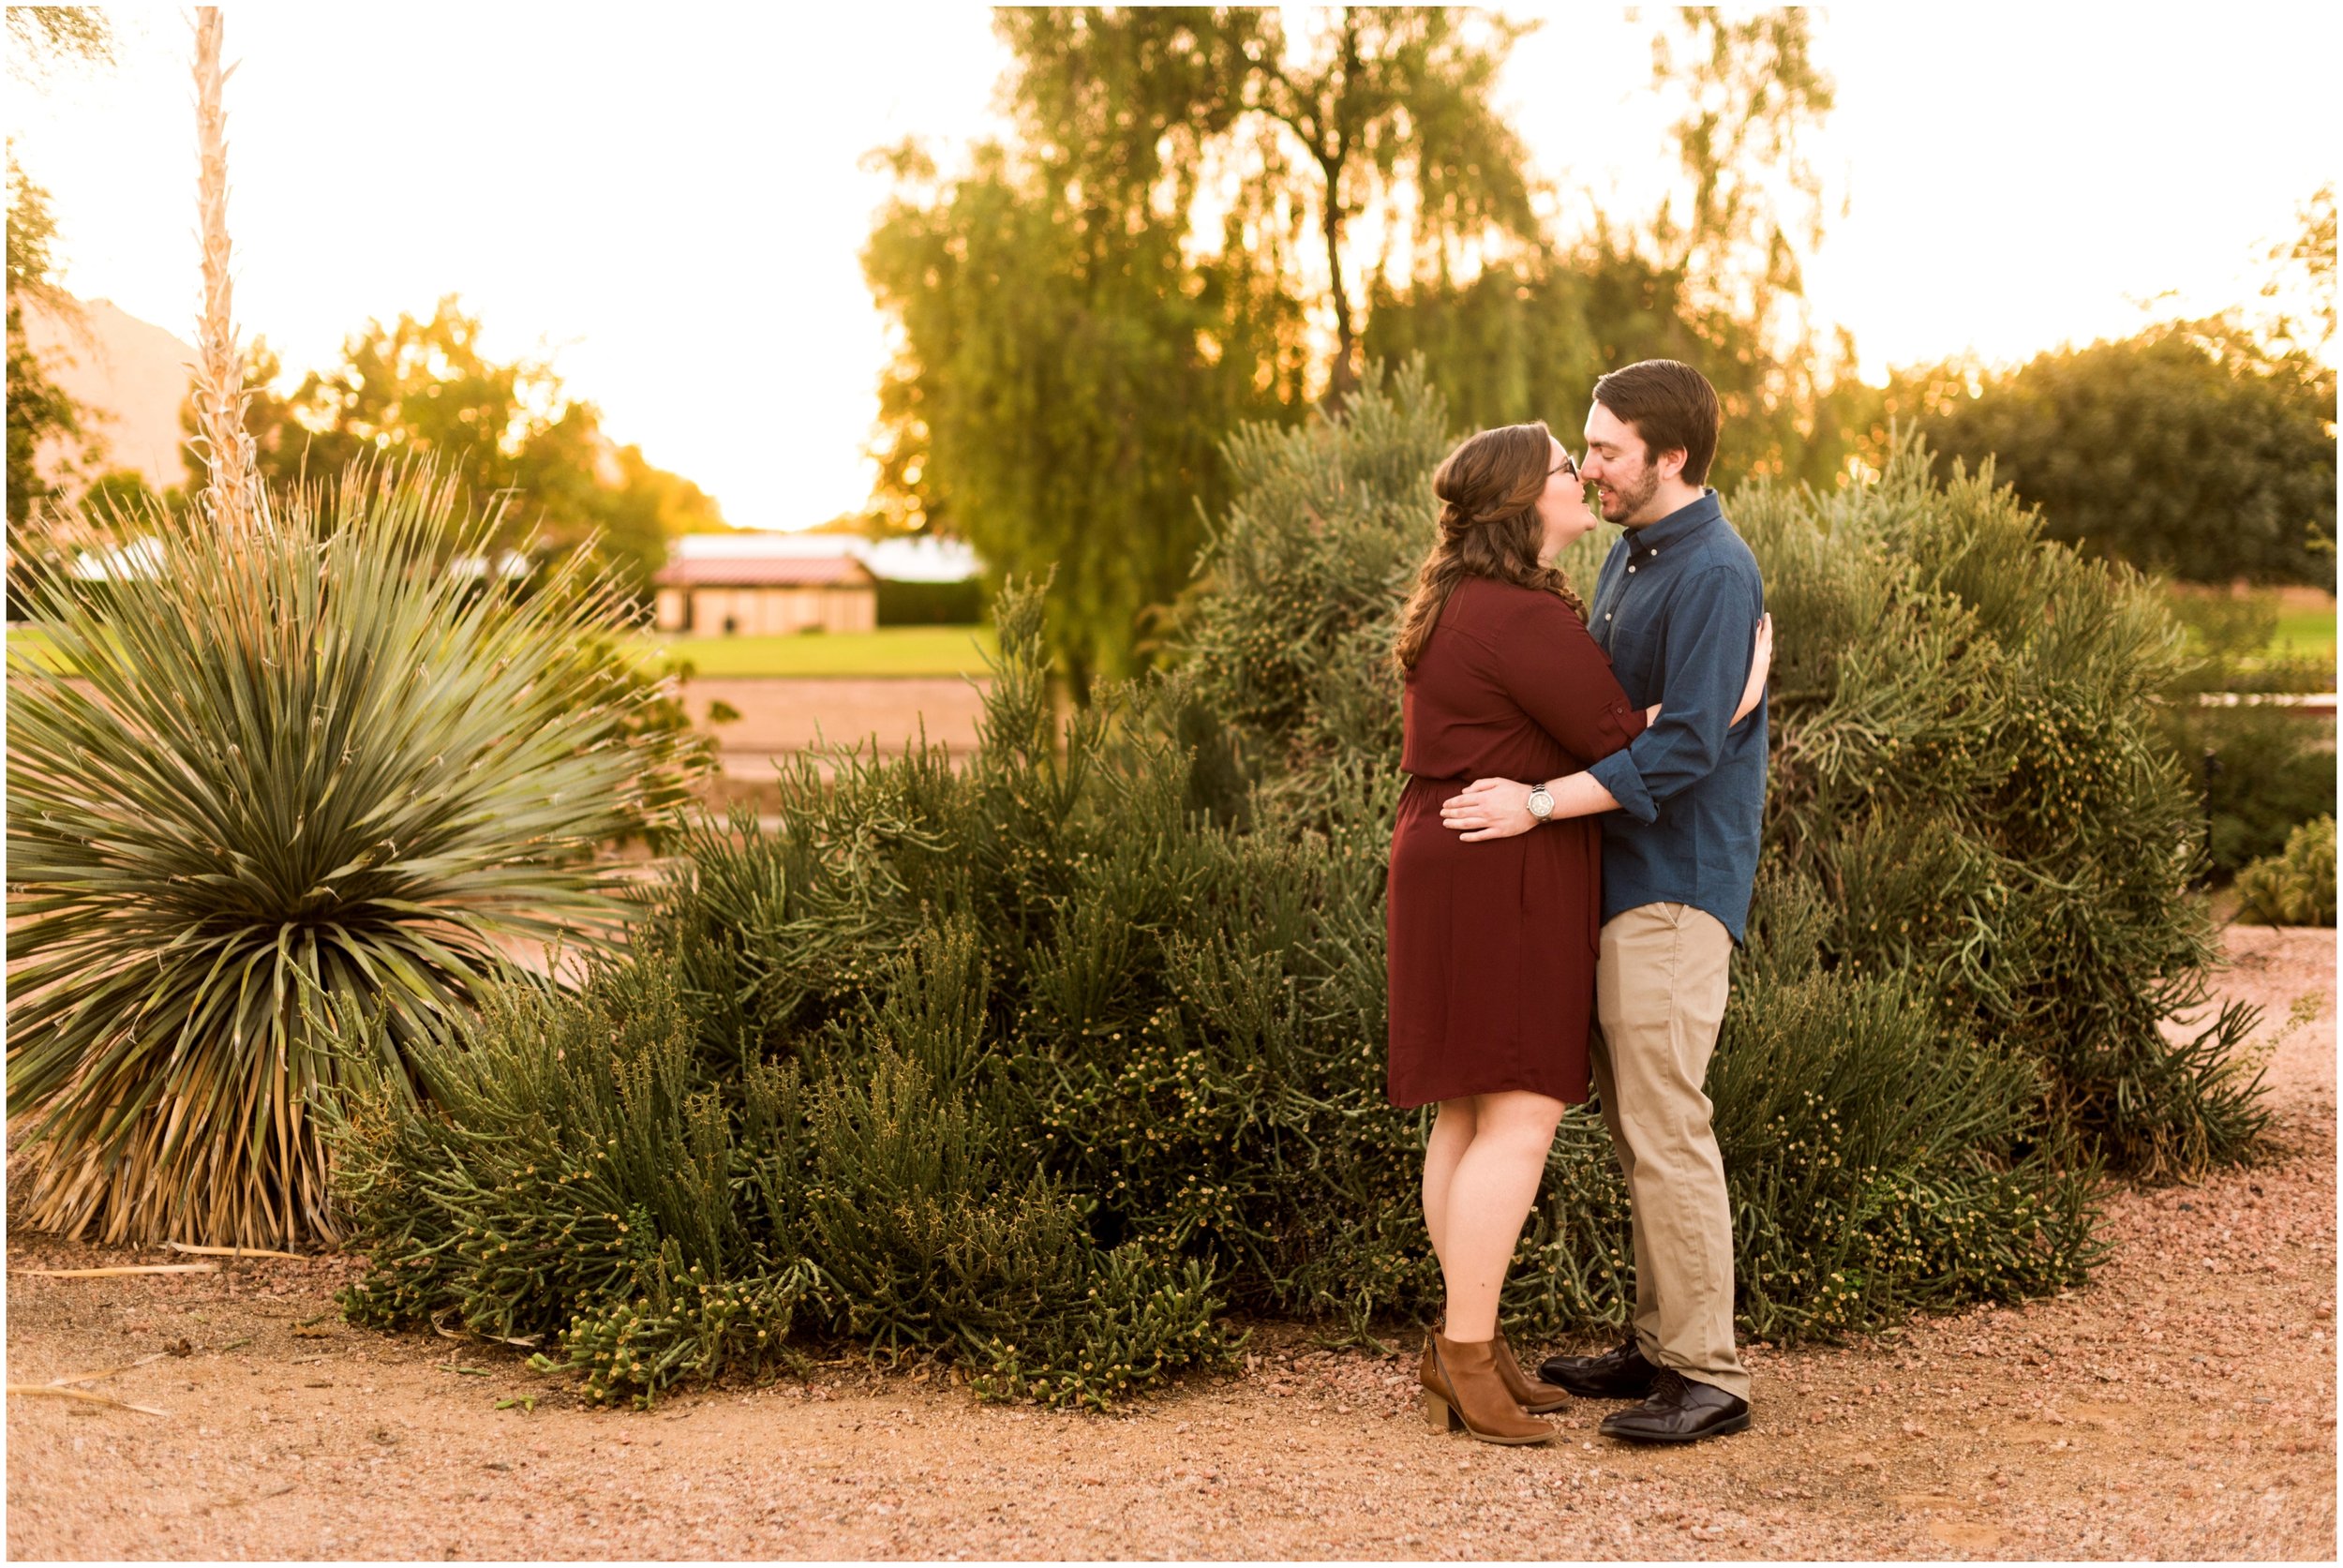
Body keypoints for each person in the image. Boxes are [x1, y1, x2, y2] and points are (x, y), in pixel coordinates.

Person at [1388, 418, 1768, 1446]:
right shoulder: (1526, 610)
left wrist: (1681, 716)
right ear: (1525, 501)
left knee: (1473, 1115)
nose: (1585, 472)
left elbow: (1614, 731)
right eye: (1571, 462)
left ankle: (1472, 1343)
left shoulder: (1474, 601)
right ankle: (1468, 1351)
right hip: (1495, 868)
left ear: (1671, 452)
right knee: (1516, 1114)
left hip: (1458, 857)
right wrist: (1733, 694)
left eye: (1600, 450)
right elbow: (1630, 732)